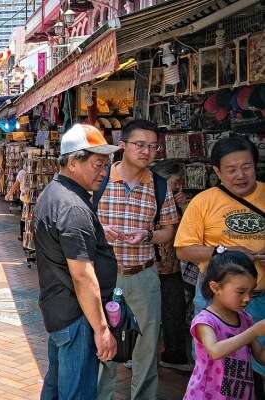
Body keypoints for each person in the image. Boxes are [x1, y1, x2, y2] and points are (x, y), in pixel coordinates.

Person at [96, 119, 181, 400]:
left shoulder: (159, 186)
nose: (147, 151)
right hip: (106, 276)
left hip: (144, 276)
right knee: (104, 344)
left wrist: (146, 235)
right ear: (123, 146)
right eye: (140, 145)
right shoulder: (100, 180)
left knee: (146, 347)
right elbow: (80, 224)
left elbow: (168, 230)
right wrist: (100, 231)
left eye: (153, 146)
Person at [33, 124, 119, 400]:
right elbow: (82, 275)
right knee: (76, 391)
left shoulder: (56, 194)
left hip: (63, 312)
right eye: (97, 164)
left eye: (105, 164)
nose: (103, 172)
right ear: (72, 162)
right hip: (76, 317)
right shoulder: (72, 206)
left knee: (58, 387)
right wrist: (101, 328)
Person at [175, 136, 265, 395]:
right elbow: (183, 250)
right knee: (217, 371)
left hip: (260, 299)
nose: (240, 175)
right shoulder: (203, 202)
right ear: (217, 171)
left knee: (253, 373)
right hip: (217, 303)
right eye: (231, 169)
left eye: (246, 167)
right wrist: (223, 250)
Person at [185, 249, 265, 400]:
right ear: (215, 288)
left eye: (251, 292)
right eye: (241, 292)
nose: (247, 298)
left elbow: (260, 355)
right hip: (207, 395)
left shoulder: (245, 318)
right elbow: (215, 350)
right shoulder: (205, 321)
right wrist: (253, 331)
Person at [151, 161, 193, 372]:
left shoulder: (179, 203)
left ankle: (174, 355)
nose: (178, 187)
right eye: (175, 182)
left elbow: (193, 231)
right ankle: (133, 354)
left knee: (174, 311)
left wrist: (184, 206)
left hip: (171, 268)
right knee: (147, 313)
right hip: (149, 267)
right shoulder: (148, 200)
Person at [6, 168, 27, 240]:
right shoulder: (22, 173)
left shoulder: (22, 172)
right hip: (30, 198)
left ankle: (22, 235)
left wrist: (8, 194)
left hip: (25, 198)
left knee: (24, 216)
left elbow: (15, 185)